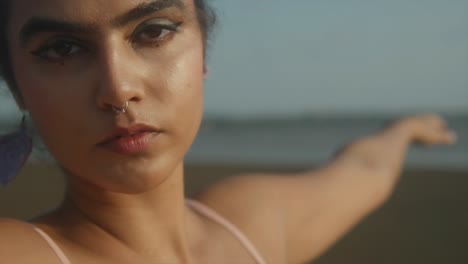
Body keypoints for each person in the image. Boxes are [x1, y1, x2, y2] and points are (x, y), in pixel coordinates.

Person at [0, 0, 458, 263]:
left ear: (202, 54)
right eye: (62, 48)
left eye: (154, 31)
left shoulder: (251, 223)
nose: (119, 90)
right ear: (16, 87)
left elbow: (365, 167)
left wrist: (405, 129)